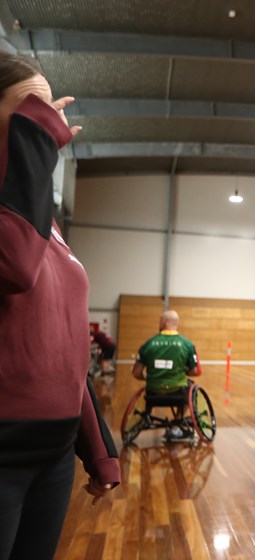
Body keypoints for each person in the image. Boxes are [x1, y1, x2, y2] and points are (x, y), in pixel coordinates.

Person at [0, 52, 120, 559]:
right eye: (33, 108)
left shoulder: (41, 221)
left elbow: (67, 349)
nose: (51, 119)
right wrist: (32, 143)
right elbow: (14, 268)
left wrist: (98, 451)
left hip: (51, 455)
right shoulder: (19, 225)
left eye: (51, 110)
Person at [132, 310, 200, 440]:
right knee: (191, 387)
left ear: (163, 322)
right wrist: (179, 370)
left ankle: (147, 415)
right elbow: (194, 371)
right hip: (177, 394)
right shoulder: (187, 344)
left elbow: (136, 373)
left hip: (153, 393)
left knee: (153, 385)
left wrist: (147, 377)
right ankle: (176, 426)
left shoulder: (148, 344)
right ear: (177, 324)